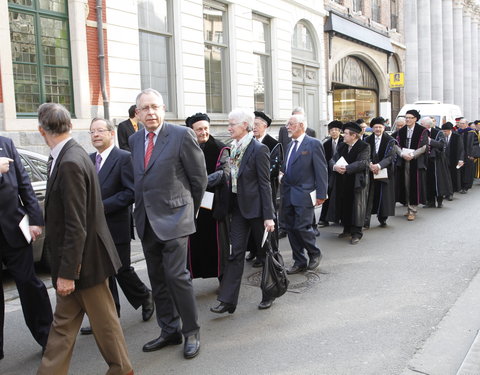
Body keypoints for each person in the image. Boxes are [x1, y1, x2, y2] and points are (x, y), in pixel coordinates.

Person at [36, 103, 133, 375]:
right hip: (82, 261)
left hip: (84, 263)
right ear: (69, 125)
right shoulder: (74, 153)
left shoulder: (69, 160)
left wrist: (68, 272)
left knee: (103, 325)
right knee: (64, 327)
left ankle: (123, 369)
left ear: (41, 130)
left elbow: (76, 224)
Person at [129, 88, 207, 359]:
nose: (150, 112)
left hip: (176, 219)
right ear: (137, 114)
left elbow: (199, 179)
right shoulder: (135, 139)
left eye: (155, 107)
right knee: (157, 279)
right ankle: (169, 330)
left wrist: (189, 211)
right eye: (145, 108)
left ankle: (191, 331)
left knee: (177, 277)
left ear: (163, 109)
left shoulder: (181, 135)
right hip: (147, 221)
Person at [80, 118, 154, 335]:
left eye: (100, 130)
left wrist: (102, 207)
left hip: (115, 225)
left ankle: (144, 295)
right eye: (92, 131)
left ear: (111, 133)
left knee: (121, 269)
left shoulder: (123, 158)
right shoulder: (89, 159)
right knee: (102, 274)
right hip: (93, 228)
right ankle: (108, 318)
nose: (95, 135)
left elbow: (131, 192)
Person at [210, 109, 275, 312]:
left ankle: (269, 292)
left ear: (245, 126)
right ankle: (228, 301)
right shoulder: (232, 147)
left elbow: (265, 184)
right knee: (235, 254)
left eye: (232, 124)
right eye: (228, 124)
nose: (228, 128)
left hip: (257, 211)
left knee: (265, 254)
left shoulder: (259, 149)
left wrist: (269, 216)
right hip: (237, 209)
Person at [0, 139, 52, 361]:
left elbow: (24, 184)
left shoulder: (6, 144)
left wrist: (35, 220)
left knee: (29, 284)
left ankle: (48, 338)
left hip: (13, 228)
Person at [280, 114, 328, 273]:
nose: (287, 126)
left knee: (302, 227)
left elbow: (321, 170)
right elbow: (288, 166)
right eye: (288, 124)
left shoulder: (313, 144)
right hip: (288, 193)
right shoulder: (289, 144)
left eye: (291, 124)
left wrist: (322, 194)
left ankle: (314, 253)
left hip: (304, 193)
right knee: (291, 229)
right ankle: (299, 261)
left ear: (301, 125)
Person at [185, 113, 230, 280]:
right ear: (191, 131)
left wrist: (199, 183)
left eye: (206, 128)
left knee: (219, 246)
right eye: (199, 129)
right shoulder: (185, 148)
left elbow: (223, 174)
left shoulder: (220, 148)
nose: (203, 132)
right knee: (194, 245)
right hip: (192, 204)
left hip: (215, 203)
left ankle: (224, 280)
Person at [246, 111, 283, 267]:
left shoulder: (274, 144)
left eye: (256, 125)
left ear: (265, 126)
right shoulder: (249, 142)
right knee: (252, 222)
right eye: (252, 124)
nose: (253, 128)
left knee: (266, 221)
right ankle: (254, 249)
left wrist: (253, 176)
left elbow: (273, 170)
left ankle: (266, 254)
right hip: (250, 191)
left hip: (266, 189)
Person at [328, 122, 370, 244]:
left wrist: (346, 168)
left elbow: (363, 163)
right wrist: (335, 167)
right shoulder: (342, 146)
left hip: (357, 182)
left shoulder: (364, 146)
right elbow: (332, 159)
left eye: (346, 134)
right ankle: (346, 229)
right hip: (342, 180)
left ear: (354, 136)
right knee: (343, 205)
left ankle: (357, 232)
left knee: (357, 207)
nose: (343, 135)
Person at [395, 109, 428, 221]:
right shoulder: (401, 130)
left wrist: (413, 155)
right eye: (406, 117)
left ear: (415, 119)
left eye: (410, 117)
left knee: (413, 185)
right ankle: (408, 206)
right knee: (405, 185)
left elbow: (424, 147)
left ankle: (412, 210)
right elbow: (396, 144)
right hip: (404, 160)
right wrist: (402, 154)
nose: (408, 119)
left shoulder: (422, 131)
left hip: (415, 161)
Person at [364, 117, 397, 228]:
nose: (378, 129)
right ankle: (366, 220)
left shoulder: (390, 140)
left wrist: (378, 166)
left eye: (380, 127)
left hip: (384, 172)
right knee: (369, 196)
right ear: (372, 128)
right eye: (375, 127)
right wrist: (370, 165)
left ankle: (382, 218)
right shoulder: (367, 140)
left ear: (384, 128)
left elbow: (390, 157)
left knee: (384, 196)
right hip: (370, 171)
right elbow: (364, 155)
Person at [420, 117, 452, 208]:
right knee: (427, 181)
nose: (420, 125)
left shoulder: (438, 132)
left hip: (437, 161)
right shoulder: (421, 133)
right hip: (426, 160)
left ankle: (439, 201)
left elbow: (442, 145)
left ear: (427, 125)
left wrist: (430, 141)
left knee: (438, 181)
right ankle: (430, 201)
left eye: (422, 124)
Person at [318, 120, 343, 228]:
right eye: (332, 130)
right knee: (327, 194)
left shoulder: (344, 141)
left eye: (336, 130)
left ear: (340, 131)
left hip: (342, 171)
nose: (334, 132)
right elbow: (323, 159)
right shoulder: (326, 144)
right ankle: (324, 219)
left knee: (341, 195)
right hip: (329, 173)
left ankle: (341, 217)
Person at [441, 122, 464, 199]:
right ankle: (446, 192)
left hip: (453, 159)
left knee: (452, 177)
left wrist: (461, 159)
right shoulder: (441, 137)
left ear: (450, 130)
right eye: (443, 131)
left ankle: (451, 193)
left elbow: (461, 149)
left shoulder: (457, 137)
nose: (444, 133)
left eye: (445, 131)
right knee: (445, 177)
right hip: (443, 160)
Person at [457, 118, 478, 193]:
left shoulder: (471, 132)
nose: (460, 125)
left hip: (468, 155)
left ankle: (466, 187)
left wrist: (472, 155)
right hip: (459, 155)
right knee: (460, 170)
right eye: (460, 123)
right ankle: (459, 186)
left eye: (462, 123)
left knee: (467, 171)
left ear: (466, 124)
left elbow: (475, 145)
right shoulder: (458, 132)